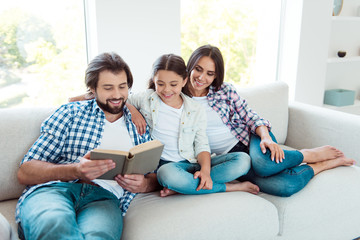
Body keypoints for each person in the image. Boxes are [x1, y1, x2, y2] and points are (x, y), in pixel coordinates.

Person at [16, 52, 157, 240]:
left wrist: (145, 184)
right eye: (108, 88)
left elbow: (155, 174)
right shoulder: (70, 113)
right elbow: (25, 172)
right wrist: (75, 170)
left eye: (122, 87)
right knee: (54, 226)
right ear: (92, 88)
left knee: (98, 236)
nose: (117, 95)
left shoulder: (139, 125)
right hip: (56, 190)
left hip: (103, 200)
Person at [183, 44, 356, 197]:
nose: (201, 77)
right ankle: (322, 165)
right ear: (190, 66)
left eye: (209, 73)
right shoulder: (178, 99)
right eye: (198, 69)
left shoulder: (224, 90)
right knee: (285, 185)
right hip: (231, 158)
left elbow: (251, 117)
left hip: (251, 139)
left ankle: (308, 155)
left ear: (216, 76)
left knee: (264, 164)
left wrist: (265, 137)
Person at [125, 53, 260, 197]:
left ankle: (183, 186)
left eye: (173, 84)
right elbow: (123, 98)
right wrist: (133, 111)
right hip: (169, 167)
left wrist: (205, 172)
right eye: (160, 84)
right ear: (154, 81)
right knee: (165, 174)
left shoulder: (195, 109)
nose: (166, 90)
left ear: (184, 81)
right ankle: (228, 187)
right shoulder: (146, 99)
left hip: (192, 162)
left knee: (243, 161)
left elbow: (202, 144)